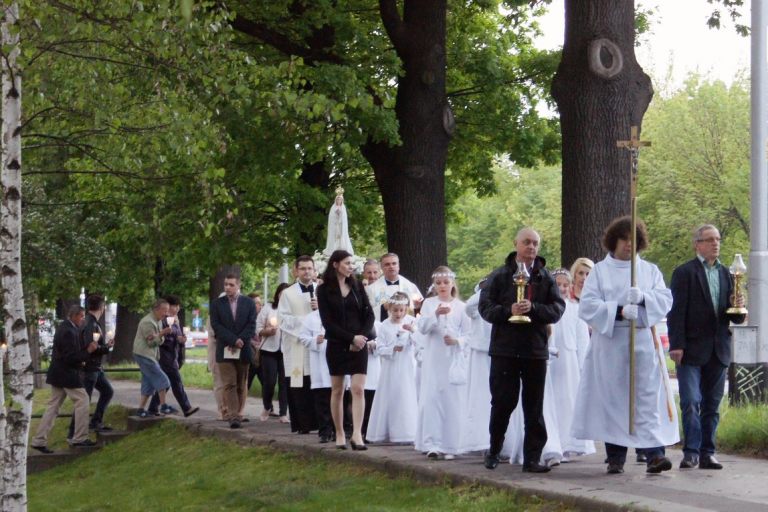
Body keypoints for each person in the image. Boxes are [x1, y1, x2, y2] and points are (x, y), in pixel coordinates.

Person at [571, 216, 678, 474]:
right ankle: (615, 456)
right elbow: (587, 305)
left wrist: (644, 299)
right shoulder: (599, 271)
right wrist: (618, 311)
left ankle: (654, 454)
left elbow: (665, 299)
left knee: (647, 398)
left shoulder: (649, 271)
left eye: (633, 240)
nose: (629, 245)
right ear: (614, 241)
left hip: (642, 341)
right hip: (611, 344)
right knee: (614, 400)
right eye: (624, 240)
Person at [479, 227, 565, 473]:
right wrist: (510, 311)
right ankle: (494, 449)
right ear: (516, 244)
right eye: (527, 242)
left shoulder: (545, 278)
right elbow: (485, 309)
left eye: (535, 243)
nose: (531, 247)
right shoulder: (500, 276)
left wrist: (534, 308)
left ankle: (532, 458)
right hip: (504, 350)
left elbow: (557, 309)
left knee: (534, 407)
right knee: (503, 404)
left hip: (535, 350)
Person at [668, 224, 746, 470]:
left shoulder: (728, 274)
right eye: (710, 240)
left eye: (718, 239)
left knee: (712, 406)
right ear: (697, 244)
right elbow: (676, 312)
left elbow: (735, 318)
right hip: (690, 349)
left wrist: (739, 305)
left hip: (718, 348)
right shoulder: (684, 273)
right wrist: (676, 344)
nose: (715, 244)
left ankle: (707, 452)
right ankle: (690, 452)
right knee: (691, 400)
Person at [316, 249, 375, 450]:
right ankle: (340, 432)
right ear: (335, 264)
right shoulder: (323, 290)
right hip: (337, 343)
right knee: (338, 390)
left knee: (358, 389)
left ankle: (357, 434)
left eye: (352, 263)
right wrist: (349, 338)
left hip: (359, 344)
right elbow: (327, 322)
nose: (351, 267)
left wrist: (360, 338)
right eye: (347, 263)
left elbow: (369, 315)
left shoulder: (357, 286)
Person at [416, 266, 471, 460]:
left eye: (446, 282)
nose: (442, 286)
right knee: (432, 398)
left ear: (452, 284)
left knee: (452, 400)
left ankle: (451, 444)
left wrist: (458, 341)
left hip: (452, 359)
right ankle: (432, 443)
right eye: (438, 283)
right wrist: (436, 315)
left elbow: (469, 334)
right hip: (433, 358)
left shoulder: (462, 307)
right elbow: (421, 328)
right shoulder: (429, 304)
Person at [32, 306, 97, 453]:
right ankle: (79, 438)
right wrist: (88, 351)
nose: (82, 320)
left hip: (58, 373)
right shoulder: (69, 331)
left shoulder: (65, 327)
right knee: (83, 400)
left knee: (53, 407)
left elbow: (69, 353)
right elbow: (70, 357)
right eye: (81, 316)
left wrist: (85, 351)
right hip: (67, 374)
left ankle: (39, 440)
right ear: (73, 316)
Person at [547, 269, 595, 460]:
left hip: (569, 361)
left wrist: (584, 364)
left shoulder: (575, 309)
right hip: (551, 360)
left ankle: (570, 442)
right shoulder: (547, 309)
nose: (562, 289)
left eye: (565, 285)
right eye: (558, 285)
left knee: (568, 400)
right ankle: (553, 442)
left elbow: (583, 340)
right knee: (553, 401)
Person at [366, 292, 418, 444]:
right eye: (395, 310)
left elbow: (420, 342)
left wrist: (412, 332)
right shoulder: (385, 326)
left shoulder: (412, 322)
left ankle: (410, 432)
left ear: (406, 309)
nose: (398, 313)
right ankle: (390, 430)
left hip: (408, 364)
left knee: (407, 394)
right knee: (392, 395)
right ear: (389, 309)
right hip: (391, 367)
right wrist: (392, 349)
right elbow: (380, 348)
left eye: (401, 310)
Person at [210, 274, 257, 429]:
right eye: (225, 284)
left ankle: (238, 412)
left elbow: (251, 324)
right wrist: (232, 340)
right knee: (229, 383)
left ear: (238, 285)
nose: (227, 287)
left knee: (240, 384)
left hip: (243, 350)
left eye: (231, 284)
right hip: (225, 349)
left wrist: (240, 340)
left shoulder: (248, 303)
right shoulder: (217, 304)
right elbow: (217, 326)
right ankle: (234, 416)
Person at [279, 255, 320, 434]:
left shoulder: (322, 290)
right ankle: (302, 424)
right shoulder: (288, 293)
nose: (306, 272)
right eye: (302, 268)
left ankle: (320, 424)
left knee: (318, 384)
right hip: (297, 345)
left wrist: (320, 310)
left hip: (319, 345)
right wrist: (306, 323)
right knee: (299, 385)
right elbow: (282, 318)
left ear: (314, 269)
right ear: (296, 271)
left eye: (309, 268)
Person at [68, 294, 113, 439]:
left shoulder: (90, 322)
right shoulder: (91, 323)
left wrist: (104, 346)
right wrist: (106, 348)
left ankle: (96, 421)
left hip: (95, 368)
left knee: (107, 391)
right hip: (90, 368)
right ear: (102, 307)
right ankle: (73, 432)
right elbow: (91, 346)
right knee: (84, 400)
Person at [147, 295, 199, 418]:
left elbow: (177, 335)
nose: (177, 309)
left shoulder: (175, 319)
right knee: (176, 382)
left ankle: (153, 408)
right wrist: (176, 337)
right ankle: (186, 408)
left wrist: (182, 339)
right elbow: (163, 338)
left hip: (172, 356)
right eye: (175, 306)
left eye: (178, 306)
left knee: (166, 383)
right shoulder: (164, 320)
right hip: (165, 356)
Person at [460, 278, 493, 453]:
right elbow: (469, 306)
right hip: (480, 350)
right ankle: (479, 440)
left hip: (497, 350)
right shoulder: (477, 306)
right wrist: (485, 290)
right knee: (480, 395)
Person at [299, 307, 335, 443]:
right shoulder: (311, 318)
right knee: (322, 400)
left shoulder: (339, 312)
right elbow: (303, 337)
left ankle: (339, 430)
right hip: (319, 365)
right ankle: (324, 431)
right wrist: (315, 340)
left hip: (335, 363)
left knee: (338, 399)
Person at [133, 299, 173, 418]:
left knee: (149, 382)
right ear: (156, 309)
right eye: (164, 310)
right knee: (163, 379)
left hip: (150, 355)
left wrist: (160, 335)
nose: (166, 313)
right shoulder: (148, 322)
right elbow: (151, 342)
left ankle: (140, 409)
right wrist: (161, 334)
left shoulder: (158, 321)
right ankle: (164, 406)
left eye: (167, 311)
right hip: (144, 354)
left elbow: (159, 342)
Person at [256, 283, 290, 423]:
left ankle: (283, 412)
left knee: (284, 382)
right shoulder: (268, 308)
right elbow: (257, 327)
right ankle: (267, 406)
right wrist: (267, 331)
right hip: (269, 349)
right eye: (282, 293)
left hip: (286, 350)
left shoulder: (292, 310)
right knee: (269, 382)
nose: (284, 296)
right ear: (277, 294)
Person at [366, 253, 423, 323]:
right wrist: (383, 308)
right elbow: (367, 313)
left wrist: (418, 307)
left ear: (398, 266)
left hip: (407, 327)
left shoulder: (410, 286)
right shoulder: (371, 289)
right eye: (387, 264)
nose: (391, 266)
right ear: (381, 268)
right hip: (384, 329)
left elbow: (422, 310)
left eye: (394, 263)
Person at [323, 191, 354, 256]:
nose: (338, 201)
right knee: (334, 238)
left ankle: (342, 249)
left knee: (341, 238)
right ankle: (332, 250)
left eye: (340, 199)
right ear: (335, 200)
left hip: (341, 226)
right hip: (334, 226)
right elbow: (331, 218)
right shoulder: (333, 207)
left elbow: (344, 219)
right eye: (337, 199)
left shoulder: (343, 207)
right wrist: (336, 215)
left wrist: (340, 215)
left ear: (342, 200)